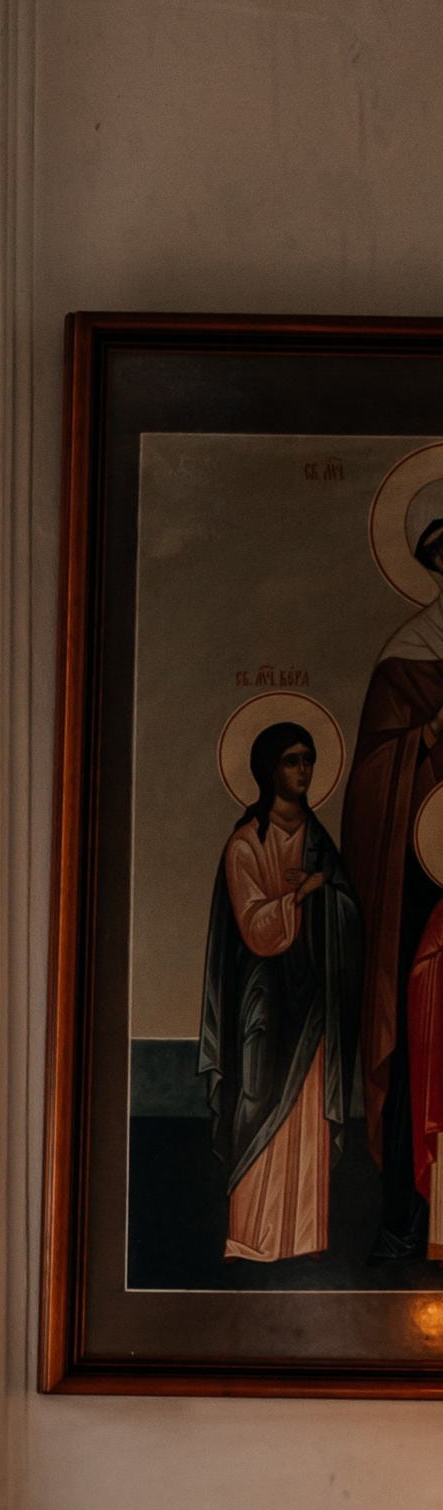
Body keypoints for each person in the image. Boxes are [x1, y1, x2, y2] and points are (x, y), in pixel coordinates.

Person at [199, 719, 363, 1265]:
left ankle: (302, 1236)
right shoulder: (245, 843)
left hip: (312, 997)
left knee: (307, 1110)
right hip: (262, 998)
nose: (303, 770)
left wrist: (327, 893)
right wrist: (302, 896)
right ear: (270, 769)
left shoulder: (318, 841)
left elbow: (348, 910)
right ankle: (249, 1236)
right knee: (256, 1099)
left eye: (308, 759)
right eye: (292, 760)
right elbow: (253, 927)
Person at [342, 484, 443, 1255]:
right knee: (421, 1032)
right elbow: (376, 783)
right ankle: (411, 1214)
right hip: (422, 878)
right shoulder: (405, 658)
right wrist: (427, 737)